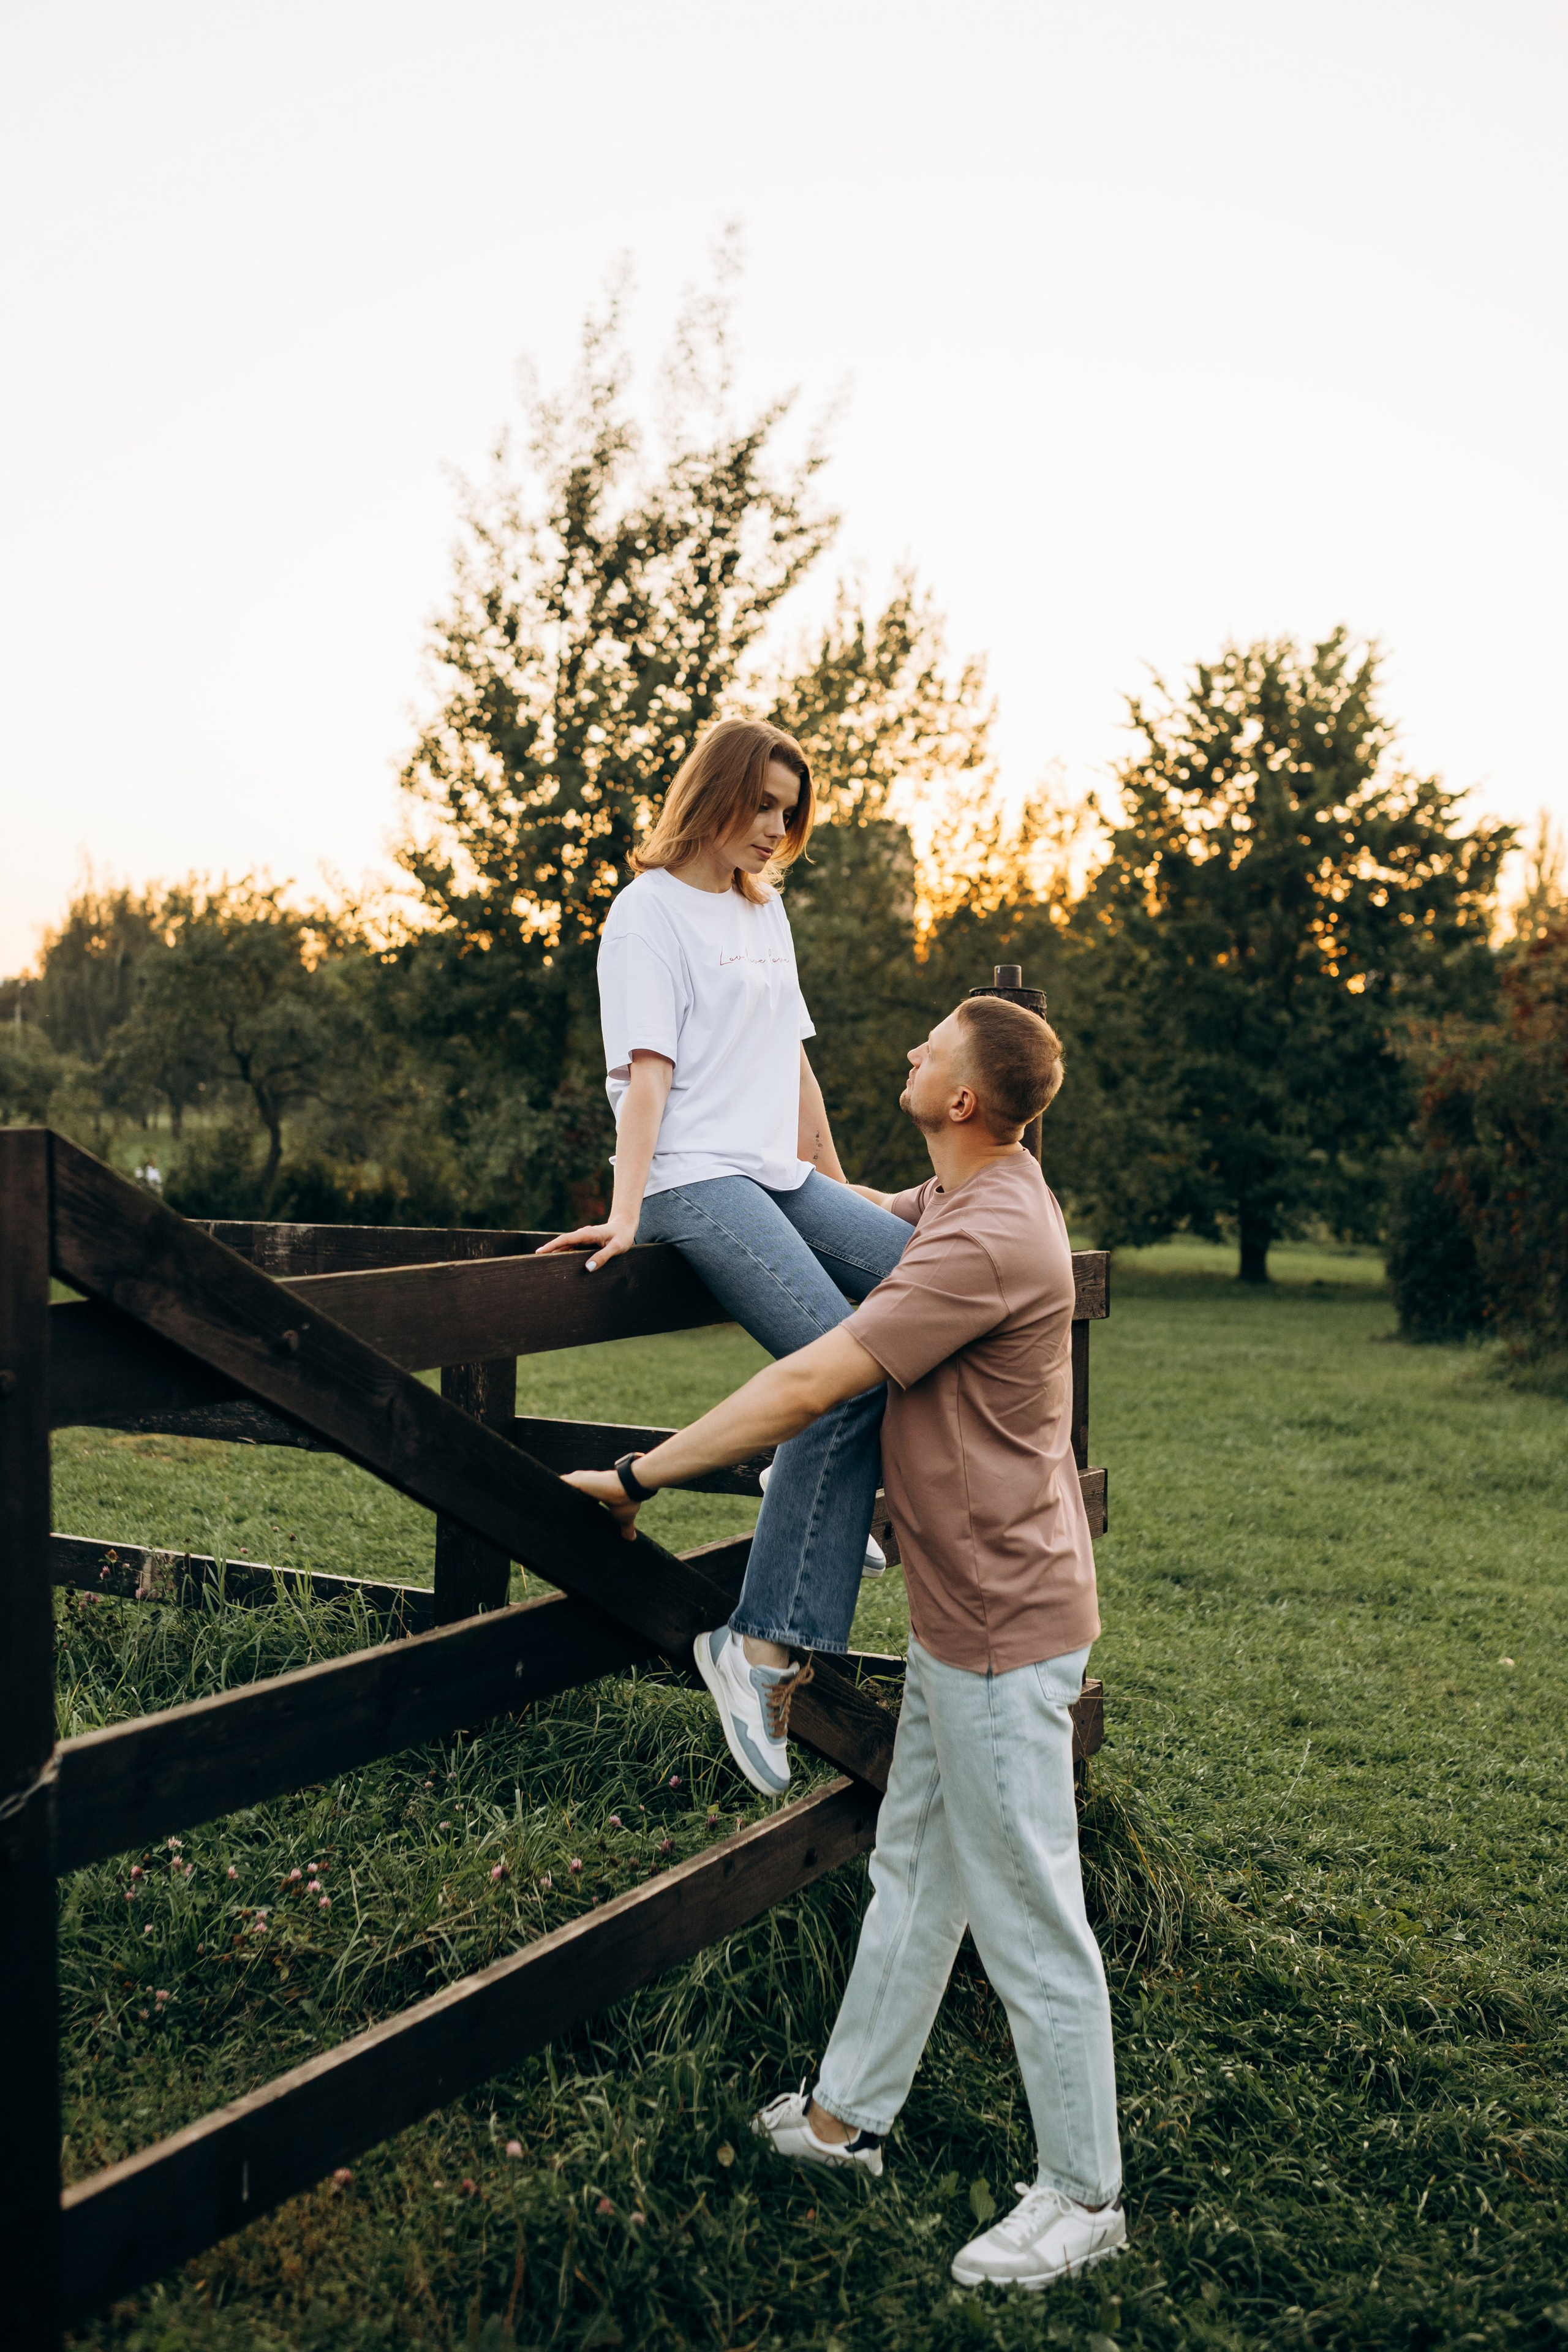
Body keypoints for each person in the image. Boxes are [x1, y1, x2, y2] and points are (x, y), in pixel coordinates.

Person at [563, 993, 1124, 2293]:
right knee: (918, 1874)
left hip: (998, 1625)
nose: (910, 1053)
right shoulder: (970, 1199)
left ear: (966, 1102)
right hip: (966, 1609)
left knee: (1029, 1912)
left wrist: (644, 1473)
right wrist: (769, 1054)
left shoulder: (985, 1240)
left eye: (927, 1048)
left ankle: (1083, 2195)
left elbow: (814, 1379)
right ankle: (842, 2121)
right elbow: (822, 1195)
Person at [538, 717, 914, 1799]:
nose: (776, 830)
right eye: (762, 806)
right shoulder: (645, 914)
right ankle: (756, 1649)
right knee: (840, 1378)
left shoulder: (764, 906)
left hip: (776, 1172)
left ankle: (837, 1507)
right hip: (691, 1176)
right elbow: (646, 1075)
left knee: (921, 1285)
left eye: (791, 812)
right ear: (714, 797)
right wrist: (626, 1208)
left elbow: (791, 1063)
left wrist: (840, 1182)